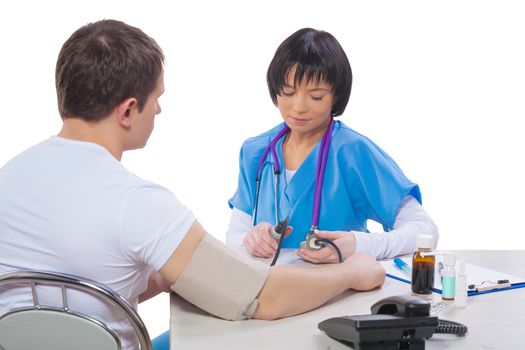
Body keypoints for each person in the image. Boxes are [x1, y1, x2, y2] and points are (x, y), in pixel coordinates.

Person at [0, 20, 385, 350]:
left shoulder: (10, 176)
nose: (159, 110)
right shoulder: (137, 203)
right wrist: (352, 273)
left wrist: (165, 273)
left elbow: (71, 273)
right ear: (128, 110)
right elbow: (263, 297)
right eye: (156, 99)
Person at [227, 28, 438, 264]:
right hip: (270, 291)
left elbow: (424, 231)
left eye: (316, 96)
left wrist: (359, 245)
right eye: (287, 92)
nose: (298, 107)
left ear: (336, 95)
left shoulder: (352, 152)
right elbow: (234, 237)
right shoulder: (255, 153)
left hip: (339, 292)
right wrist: (249, 239)